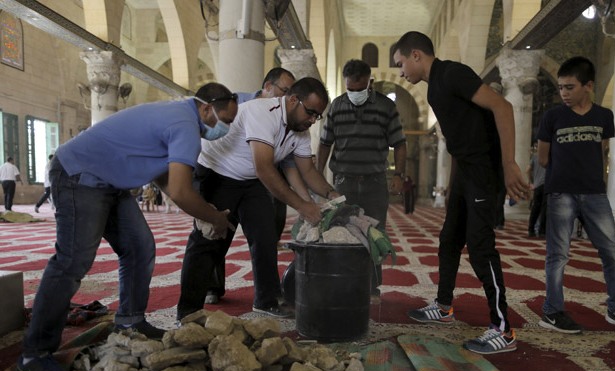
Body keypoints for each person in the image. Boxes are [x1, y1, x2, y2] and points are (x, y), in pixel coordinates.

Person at [15, 82, 238, 371]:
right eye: (223, 121)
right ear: (205, 108)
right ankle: (33, 359)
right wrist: (213, 216)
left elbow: (168, 180)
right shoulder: (185, 124)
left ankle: (131, 321)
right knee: (72, 261)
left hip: (109, 182)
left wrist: (200, 209)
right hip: (79, 175)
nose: (223, 129)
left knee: (139, 246)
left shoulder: (179, 116)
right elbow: (183, 192)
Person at [393, 31, 530, 354]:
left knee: (481, 248)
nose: (400, 72)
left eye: (400, 64)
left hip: (483, 173)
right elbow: (457, 144)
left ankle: (502, 329)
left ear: (416, 55)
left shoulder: (452, 73)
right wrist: (454, 189)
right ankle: (443, 306)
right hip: (466, 175)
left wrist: (509, 164)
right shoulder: (434, 90)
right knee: (449, 238)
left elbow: (503, 107)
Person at [177, 77, 341, 321]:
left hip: (250, 180)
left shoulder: (301, 131)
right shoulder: (263, 112)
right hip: (218, 173)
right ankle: (188, 310)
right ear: (293, 100)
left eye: (318, 116)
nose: (313, 120)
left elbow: (307, 171)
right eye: (311, 112)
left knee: (265, 236)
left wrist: (331, 193)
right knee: (210, 238)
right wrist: (302, 206)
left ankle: (267, 300)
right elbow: (265, 168)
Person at [537, 56, 615, 335]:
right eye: (560, 88)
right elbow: (543, 158)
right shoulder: (553, 117)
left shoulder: (603, 116)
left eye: (570, 87)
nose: (564, 93)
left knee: (612, 252)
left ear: (589, 86)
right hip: (561, 192)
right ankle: (552, 311)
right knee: (557, 255)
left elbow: (603, 150)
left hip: (594, 193)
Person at [204, 67, 299, 306]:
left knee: (265, 233)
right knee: (218, 232)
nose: (286, 99)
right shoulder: (237, 103)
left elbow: (287, 162)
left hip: (259, 178)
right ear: (267, 86)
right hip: (224, 175)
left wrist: (302, 199)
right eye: (284, 91)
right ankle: (211, 287)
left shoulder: (284, 117)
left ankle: (267, 297)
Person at [316, 59, 407, 303]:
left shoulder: (386, 107)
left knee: (374, 232)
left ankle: (371, 288)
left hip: (374, 182)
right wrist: (316, 177)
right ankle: (343, 282)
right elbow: (325, 144)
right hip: (343, 182)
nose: (355, 94)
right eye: (351, 89)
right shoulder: (336, 106)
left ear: (370, 83)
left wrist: (398, 175)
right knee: (341, 230)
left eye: (360, 89)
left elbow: (399, 144)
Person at [527, 144, 546, 237]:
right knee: (544, 209)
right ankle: (542, 231)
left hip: (537, 186)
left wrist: (531, 182)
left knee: (535, 208)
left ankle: (531, 229)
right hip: (546, 185)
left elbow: (528, 170)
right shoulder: (548, 156)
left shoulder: (535, 157)